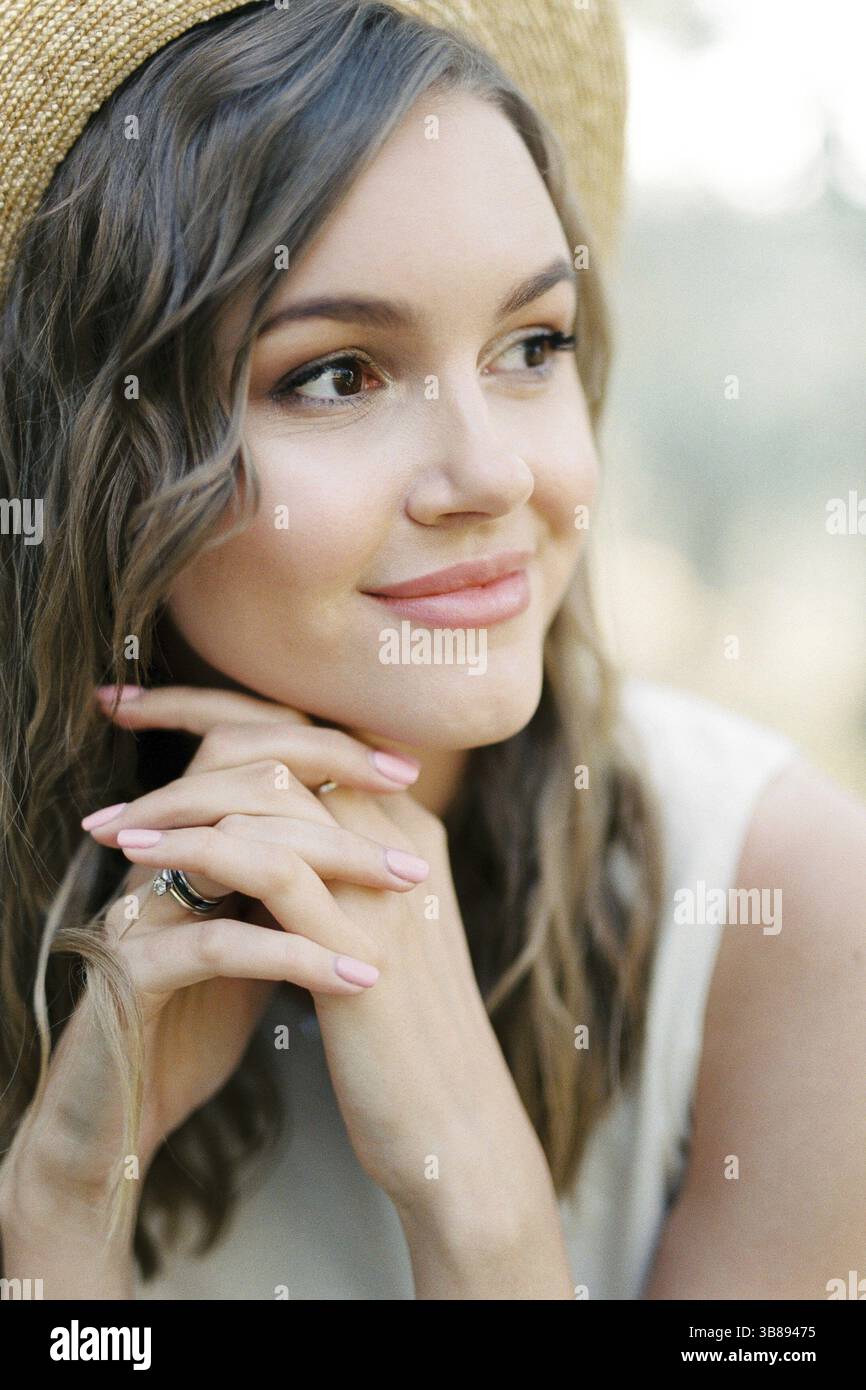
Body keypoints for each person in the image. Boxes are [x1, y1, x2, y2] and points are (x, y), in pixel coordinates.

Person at [0, 0, 863, 1302]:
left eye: (533, 345)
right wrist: (65, 1203)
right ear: (98, 448)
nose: (490, 470)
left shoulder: (784, 912)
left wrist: (483, 1208)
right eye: (339, 373)